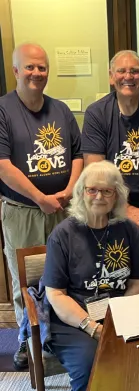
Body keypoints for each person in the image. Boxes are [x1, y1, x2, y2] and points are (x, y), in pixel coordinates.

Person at [43, 160, 139, 391]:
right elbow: (56, 294)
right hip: (72, 319)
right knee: (91, 362)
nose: (99, 197)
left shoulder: (128, 230)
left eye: (107, 191)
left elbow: (137, 283)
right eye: (92, 190)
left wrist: (117, 320)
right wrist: (92, 327)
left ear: (117, 196)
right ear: (81, 192)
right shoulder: (63, 235)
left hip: (118, 313)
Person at [0, 43, 83, 370]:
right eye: (30, 67)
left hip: (63, 209)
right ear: (16, 71)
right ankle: (26, 340)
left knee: (65, 273)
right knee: (27, 280)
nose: (37, 73)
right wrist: (41, 198)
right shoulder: (4, 110)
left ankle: (61, 336)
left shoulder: (61, 110)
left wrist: (67, 191)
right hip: (24, 213)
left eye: (42, 67)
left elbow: (78, 154)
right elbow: (3, 165)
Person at [82, 50, 139, 292]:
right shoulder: (96, 113)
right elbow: (95, 170)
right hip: (110, 208)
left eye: (134, 71)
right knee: (114, 269)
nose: (128, 76)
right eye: (121, 71)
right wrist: (126, 210)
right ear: (112, 77)